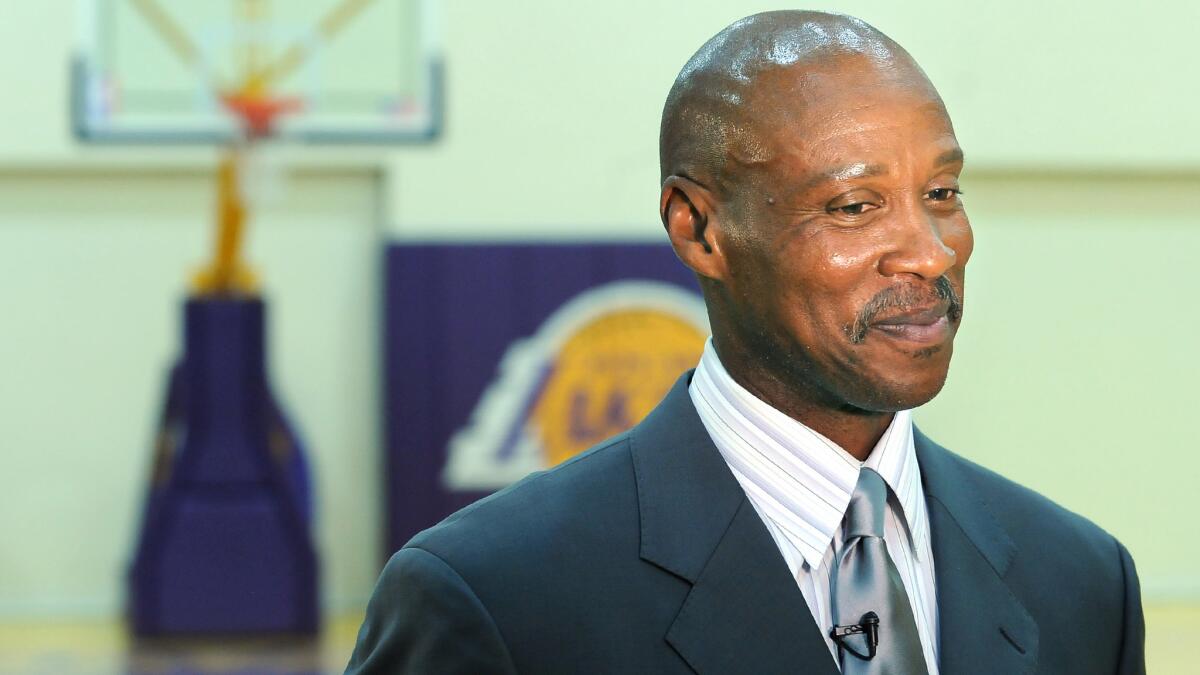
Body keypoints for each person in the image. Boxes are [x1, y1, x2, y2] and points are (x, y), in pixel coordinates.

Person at [346, 11, 1145, 674]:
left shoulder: (1082, 581)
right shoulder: (492, 598)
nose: (933, 251)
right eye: (855, 206)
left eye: (941, 193)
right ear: (699, 229)